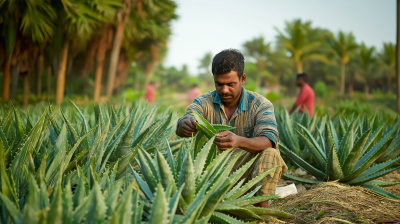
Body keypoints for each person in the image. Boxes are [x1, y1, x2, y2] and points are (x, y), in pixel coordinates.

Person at [176, 49, 287, 208]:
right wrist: (184, 124)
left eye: (230, 84)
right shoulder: (204, 101)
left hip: (248, 176)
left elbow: (268, 140)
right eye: (219, 84)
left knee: (270, 153)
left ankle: (262, 209)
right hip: (210, 179)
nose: (224, 90)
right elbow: (187, 118)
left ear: (242, 79)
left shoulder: (260, 104)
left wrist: (239, 141)